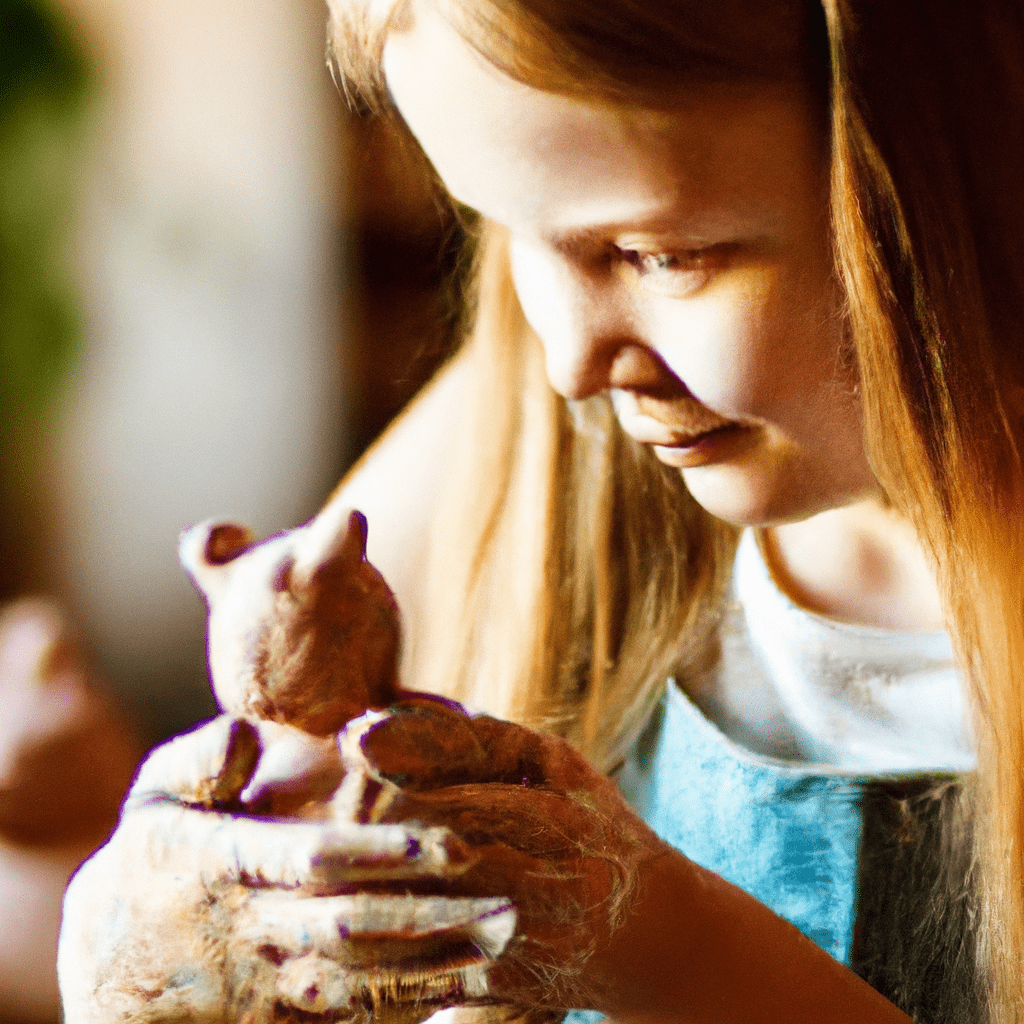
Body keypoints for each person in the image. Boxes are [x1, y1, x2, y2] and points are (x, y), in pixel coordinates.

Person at [57, 0, 1024, 1022]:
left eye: (663, 254)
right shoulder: (539, 442)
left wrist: (664, 944)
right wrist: (137, 941)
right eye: (504, 223)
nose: (570, 364)